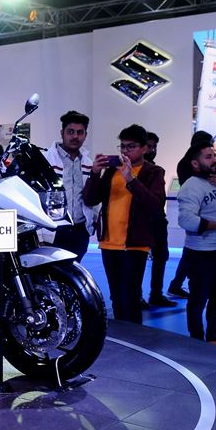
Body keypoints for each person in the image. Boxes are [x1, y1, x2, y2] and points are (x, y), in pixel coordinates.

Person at [83, 124, 166, 324]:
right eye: (122, 146)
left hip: (135, 243)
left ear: (145, 148)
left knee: (130, 297)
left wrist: (131, 179)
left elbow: (155, 205)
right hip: (109, 242)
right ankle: (123, 341)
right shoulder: (113, 170)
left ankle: (134, 342)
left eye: (131, 146)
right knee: (116, 297)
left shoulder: (153, 172)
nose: (125, 151)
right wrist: (95, 173)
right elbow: (90, 199)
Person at [177, 143, 216, 353]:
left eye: (214, 156)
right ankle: (196, 341)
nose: (214, 160)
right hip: (199, 253)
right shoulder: (190, 187)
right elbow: (186, 220)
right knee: (198, 299)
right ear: (195, 163)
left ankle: (214, 339)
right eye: (208, 157)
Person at [42, 110, 98, 262]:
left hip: (80, 231)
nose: (75, 136)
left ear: (85, 135)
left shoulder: (88, 163)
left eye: (80, 132)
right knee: (50, 276)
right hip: (54, 229)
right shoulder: (45, 160)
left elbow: (92, 196)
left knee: (73, 274)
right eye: (70, 132)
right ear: (62, 133)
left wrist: (92, 221)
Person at [139, 131, 175, 308]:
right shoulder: (137, 170)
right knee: (138, 260)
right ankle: (136, 296)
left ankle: (156, 293)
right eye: (149, 146)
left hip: (158, 220)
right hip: (142, 221)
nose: (152, 150)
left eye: (154, 147)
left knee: (161, 257)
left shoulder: (156, 170)